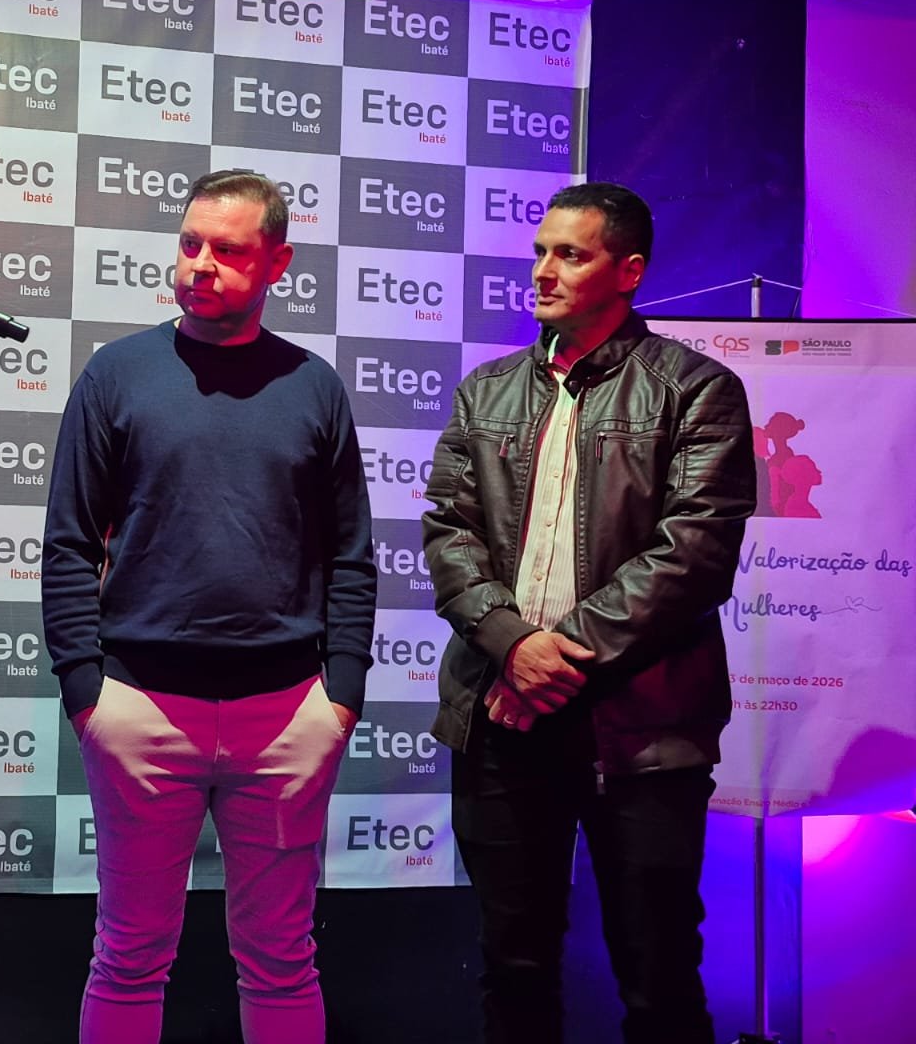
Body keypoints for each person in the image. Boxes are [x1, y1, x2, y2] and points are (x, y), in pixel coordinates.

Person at [42, 169, 377, 1044]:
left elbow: (350, 553)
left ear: (277, 262)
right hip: (139, 709)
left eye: (227, 250)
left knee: (282, 957)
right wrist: (86, 691)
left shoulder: (314, 386)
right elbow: (69, 542)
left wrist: (341, 695)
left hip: (287, 715)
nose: (200, 264)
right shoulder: (117, 374)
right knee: (127, 954)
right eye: (190, 243)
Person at [421, 181, 756, 1044]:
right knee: (514, 969)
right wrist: (510, 644)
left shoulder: (697, 389)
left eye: (570, 254)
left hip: (642, 730)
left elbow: (693, 557)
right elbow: (449, 534)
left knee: (658, 977)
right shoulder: (486, 391)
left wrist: (552, 657)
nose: (543, 270)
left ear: (629, 271)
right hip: (502, 719)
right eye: (541, 251)